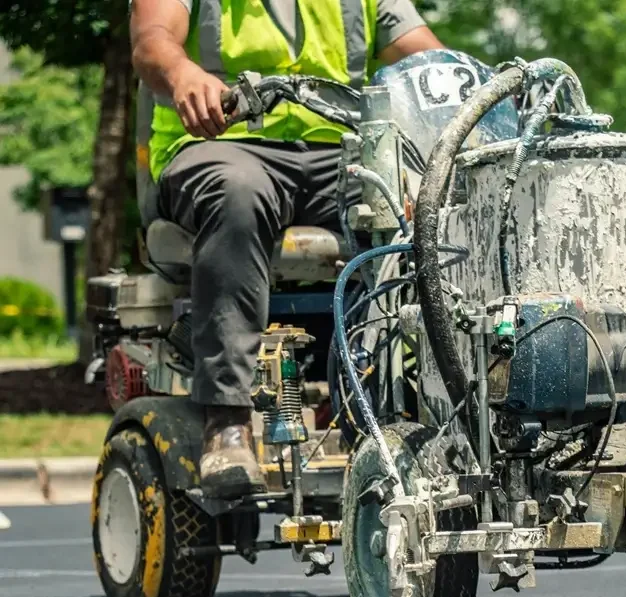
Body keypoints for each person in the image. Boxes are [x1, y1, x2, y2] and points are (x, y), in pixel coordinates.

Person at [129, 0, 444, 498]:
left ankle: (405, 403)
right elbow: (152, 41)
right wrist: (182, 72)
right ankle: (227, 423)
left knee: (424, 206)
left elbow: (429, 63)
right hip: (221, 145)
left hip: (335, 155)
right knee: (238, 193)